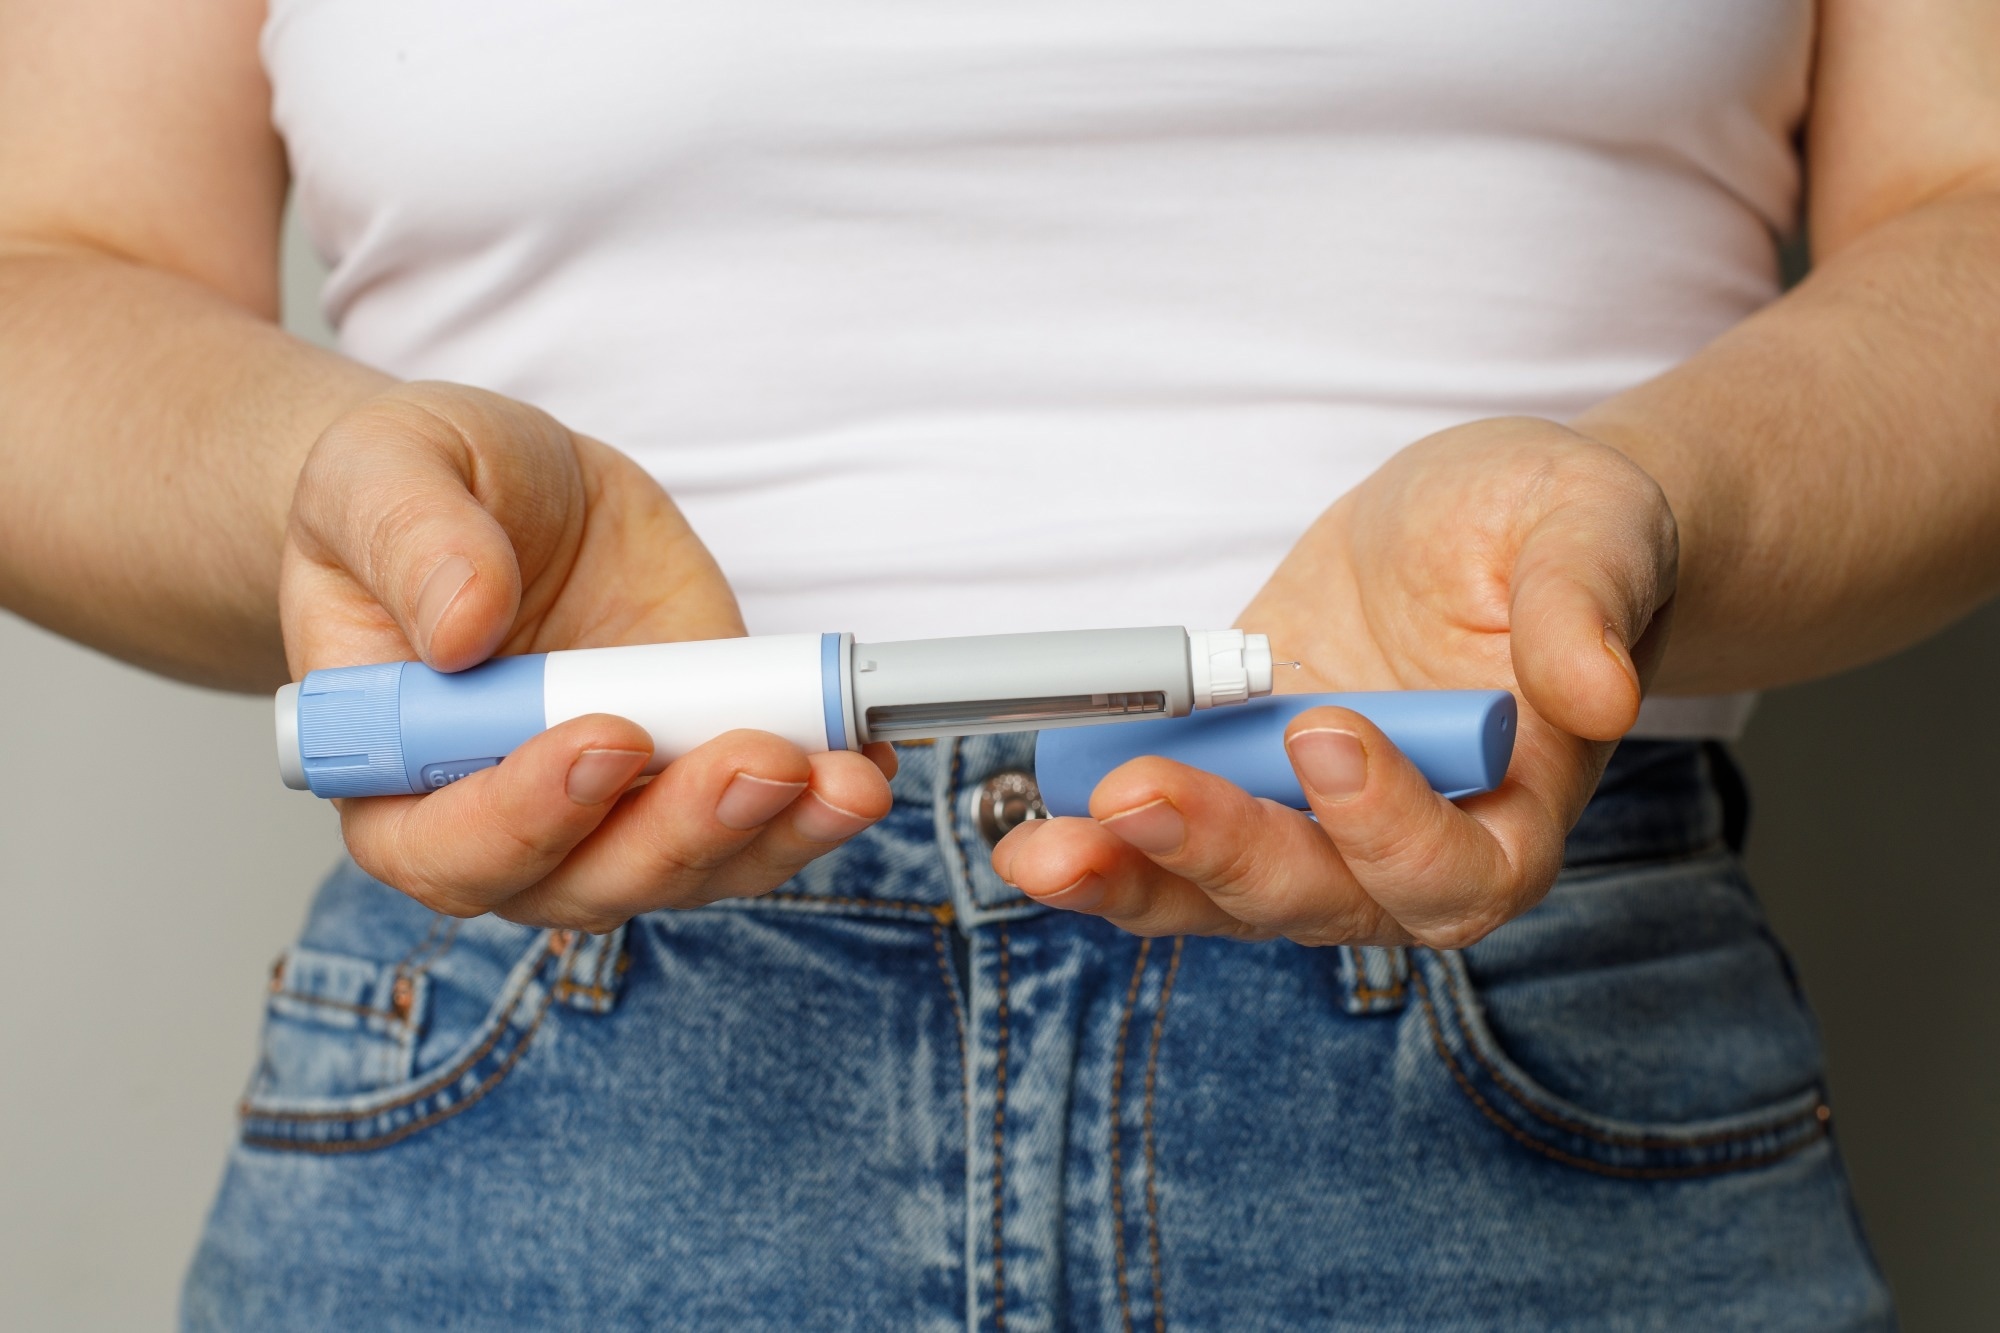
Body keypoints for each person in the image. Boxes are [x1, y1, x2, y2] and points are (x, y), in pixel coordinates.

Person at [3, 1, 1994, 1327]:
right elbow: (51, 271)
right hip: (551, 1053)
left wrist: (1645, 504)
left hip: (1521, 1006)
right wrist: (326, 496)